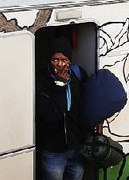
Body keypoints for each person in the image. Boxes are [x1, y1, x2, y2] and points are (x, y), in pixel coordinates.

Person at [36, 37, 87, 180]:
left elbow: (84, 104)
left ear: (70, 61)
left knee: (77, 175)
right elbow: (52, 115)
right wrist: (60, 86)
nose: (59, 64)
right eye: (55, 59)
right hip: (53, 149)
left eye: (64, 60)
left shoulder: (78, 74)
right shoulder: (41, 81)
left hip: (75, 146)